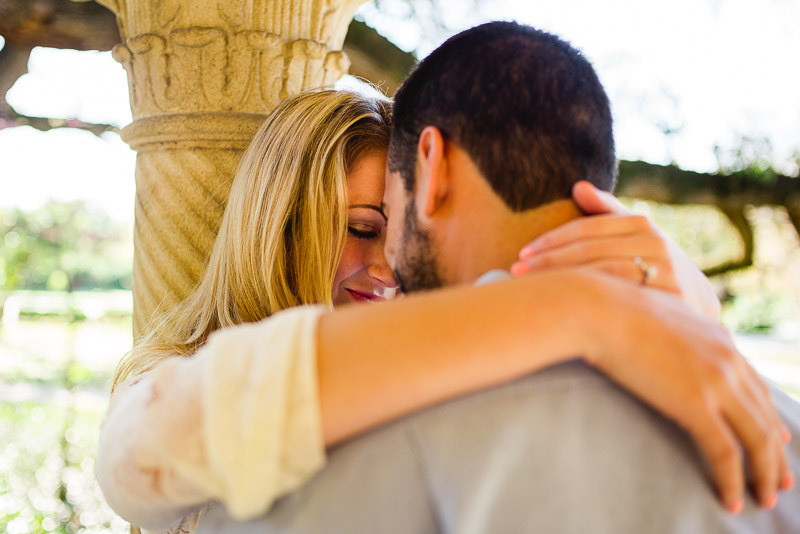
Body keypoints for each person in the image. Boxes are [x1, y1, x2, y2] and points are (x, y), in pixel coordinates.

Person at [194, 22, 800, 534]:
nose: (386, 265)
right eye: (359, 227)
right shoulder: (772, 424)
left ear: (430, 168)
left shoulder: (315, 455)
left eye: (390, 208)